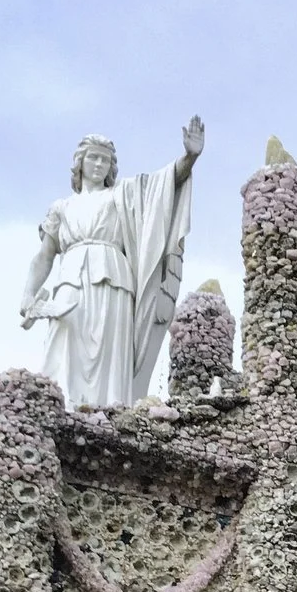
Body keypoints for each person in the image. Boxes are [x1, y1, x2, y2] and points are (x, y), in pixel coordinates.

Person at [20, 119, 201, 407]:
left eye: (105, 160)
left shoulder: (122, 195)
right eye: (93, 157)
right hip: (71, 279)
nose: (98, 164)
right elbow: (44, 255)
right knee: (64, 344)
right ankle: (60, 408)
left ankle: (108, 413)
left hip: (113, 280)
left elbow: (162, 186)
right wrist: (28, 293)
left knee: (109, 351)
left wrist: (190, 157)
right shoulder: (62, 207)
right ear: (80, 162)